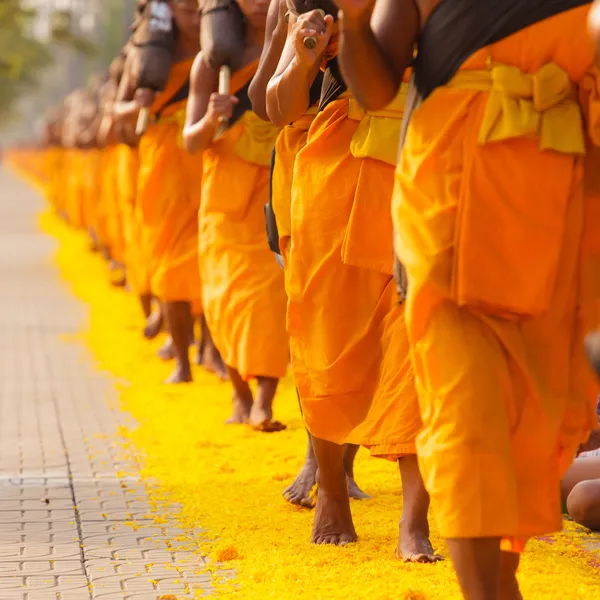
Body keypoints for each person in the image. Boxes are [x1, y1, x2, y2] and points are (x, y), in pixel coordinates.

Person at [335, 0, 600, 597]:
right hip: (450, 205)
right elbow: (378, 87)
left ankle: (501, 580)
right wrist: (352, 23)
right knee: (465, 412)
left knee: (532, 419)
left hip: (560, 205)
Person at [264, 4, 438, 560]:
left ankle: (416, 520)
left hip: (425, 152)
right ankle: (332, 492)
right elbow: (277, 107)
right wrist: (306, 55)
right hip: (331, 177)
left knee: (421, 336)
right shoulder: (310, 10)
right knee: (327, 341)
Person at [248, 0, 369, 506]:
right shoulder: (290, 5)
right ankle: (316, 459)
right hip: (303, 173)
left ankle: (345, 463)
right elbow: (265, 103)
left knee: (367, 322)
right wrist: (283, 40)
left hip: (370, 151)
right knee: (316, 320)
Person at [183, 0, 289, 431]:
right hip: (224, 199)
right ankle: (240, 395)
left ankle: (265, 399)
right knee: (225, 299)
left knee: (268, 297)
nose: (261, 3)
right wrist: (211, 118)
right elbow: (191, 141)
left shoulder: (292, 41)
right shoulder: (210, 63)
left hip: (274, 185)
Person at [114, 0, 203, 384]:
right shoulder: (146, 52)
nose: (189, 3)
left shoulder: (226, 43)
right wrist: (137, 104)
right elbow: (114, 112)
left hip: (212, 161)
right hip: (164, 166)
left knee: (212, 257)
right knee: (171, 263)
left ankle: (213, 349)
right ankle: (182, 357)